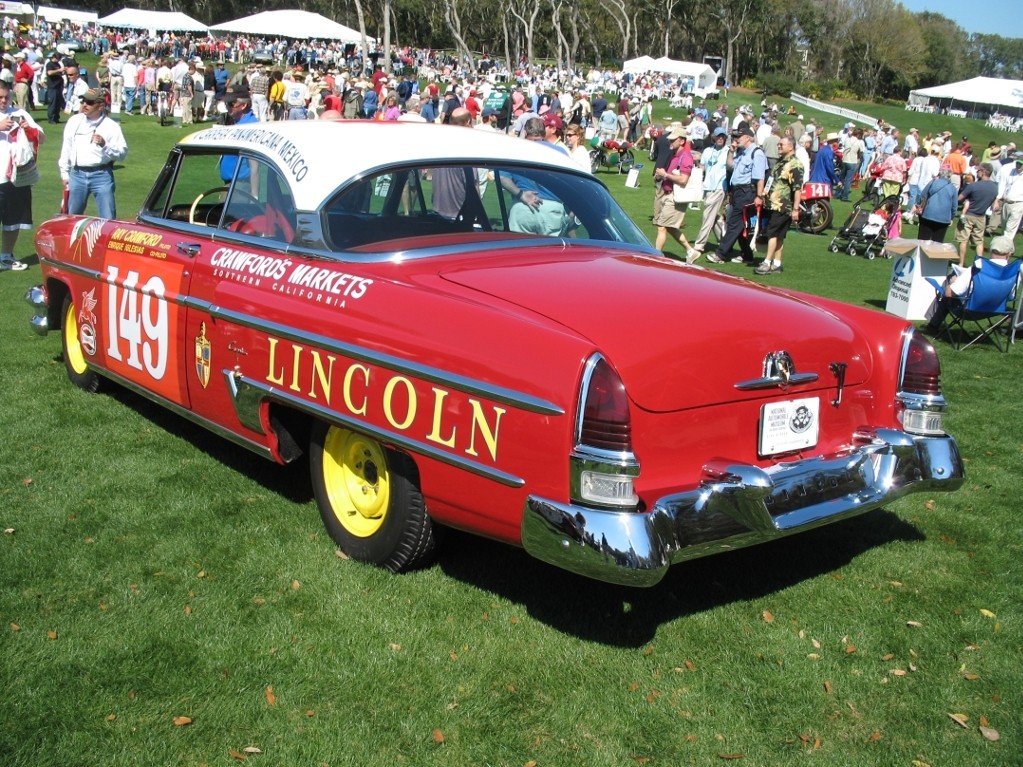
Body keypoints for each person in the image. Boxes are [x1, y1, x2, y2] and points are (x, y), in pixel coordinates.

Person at [57, 88, 128, 219]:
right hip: (77, 175)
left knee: (108, 218)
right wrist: (64, 174)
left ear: (100, 106)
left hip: (101, 175)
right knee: (72, 218)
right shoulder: (74, 121)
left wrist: (105, 145)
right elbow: (66, 148)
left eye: (89, 102)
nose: (84, 104)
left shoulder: (111, 126)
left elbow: (122, 153)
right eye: (83, 101)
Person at [923, 235, 1015, 333]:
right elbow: (1011, 297)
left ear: (990, 250)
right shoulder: (1013, 272)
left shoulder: (979, 267)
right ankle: (933, 324)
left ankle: (933, 325)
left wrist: (953, 282)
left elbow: (949, 293)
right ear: (1009, 254)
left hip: (969, 310)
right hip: (995, 310)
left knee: (949, 282)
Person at [707, 124, 767, 265]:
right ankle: (747, 254)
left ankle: (721, 253)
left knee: (734, 223)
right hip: (737, 192)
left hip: (747, 192)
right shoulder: (741, 152)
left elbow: (760, 177)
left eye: (739, 137)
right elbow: (730, 166)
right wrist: (731, 152)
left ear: (748, 138)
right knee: (741, 225)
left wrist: (759, 196)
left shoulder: (756, 153)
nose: (736, 139)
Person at [0, 80, 44, 271]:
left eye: (6, 97)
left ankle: (6, 255)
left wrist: (27, 127)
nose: (3, 101)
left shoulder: (19, 113)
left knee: (13, 220)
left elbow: (41, 137)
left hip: (16, 178)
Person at [755, 136, 803, 275]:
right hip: (772, 204)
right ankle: (777, 263)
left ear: (791, 146)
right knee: (779, 235)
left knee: (773, 233)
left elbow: (797, 188)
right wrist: (763, 195)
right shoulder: (780, 162)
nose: (779, 146)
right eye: (778, 144)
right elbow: (771, 180)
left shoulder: (795, 165)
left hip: (782, 206)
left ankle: (767, 262)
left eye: (782, 144)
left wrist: (795, 209)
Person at [687, 127, 730, 263]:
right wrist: (698, 185)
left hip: (720, 188)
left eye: (723, 136)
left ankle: (698, 247)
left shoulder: (728, 151)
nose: (720, 138)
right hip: (707, 187)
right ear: (714, 137)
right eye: (718, 136)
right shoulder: (707, 151)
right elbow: (701, 168)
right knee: (713, 217)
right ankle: (724, 244)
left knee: (707, 216)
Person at [652, 125, 695, 256]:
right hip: (668, 194)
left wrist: (665, 175)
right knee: (669, 227)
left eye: (673, 140)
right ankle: (690, 250)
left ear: (682, 141)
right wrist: (661, 175)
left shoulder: (685, 157)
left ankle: (656, 255)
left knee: (662, 227)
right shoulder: (675, 155)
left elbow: (683, 180)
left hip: (675, 197)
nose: (670, 142)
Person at [955, 163, 999, 264]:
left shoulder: (974, 186)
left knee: (963, 240)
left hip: (968, 215)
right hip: (981, 217)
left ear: (983, 172)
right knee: (979, 241)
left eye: (979, 170)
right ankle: (979, 263)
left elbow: (959, 198)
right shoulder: (994, 187)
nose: (977, 172)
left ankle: (961, 263)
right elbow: (993, 202)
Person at [913, 168, 958, 243]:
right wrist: (951, 217)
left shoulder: (932, 183)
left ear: (940, 173)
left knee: (922, 240)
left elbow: (922, 196)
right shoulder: (952, 188)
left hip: (928, 214)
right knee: (937, 242)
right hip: (943, 218)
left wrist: (918, 205)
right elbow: (954, 206)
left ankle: (920, 254)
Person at [993, 151, 1023, 239]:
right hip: (1006, 202)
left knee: (1010, 229)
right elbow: (1003, 185)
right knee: (1004, 226)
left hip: (1018, 204)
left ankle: (1004, 249)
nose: (1019, 166)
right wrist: (997, 199)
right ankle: (1008, 248)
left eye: (1021, 165)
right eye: (1018, 163)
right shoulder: (1010, 171)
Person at [44, 51, 65, 125]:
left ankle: (56, 118)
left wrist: (62, 72)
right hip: (52, 86)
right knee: (52, 103)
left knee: (57, 104)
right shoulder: (49, 64)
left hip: (58, 86)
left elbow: (58, 73)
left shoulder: (57, 64)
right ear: (54, 57)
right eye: (58, 58)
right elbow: (49, 73)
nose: (59, 60)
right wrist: (59, 70)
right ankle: (51, 118)